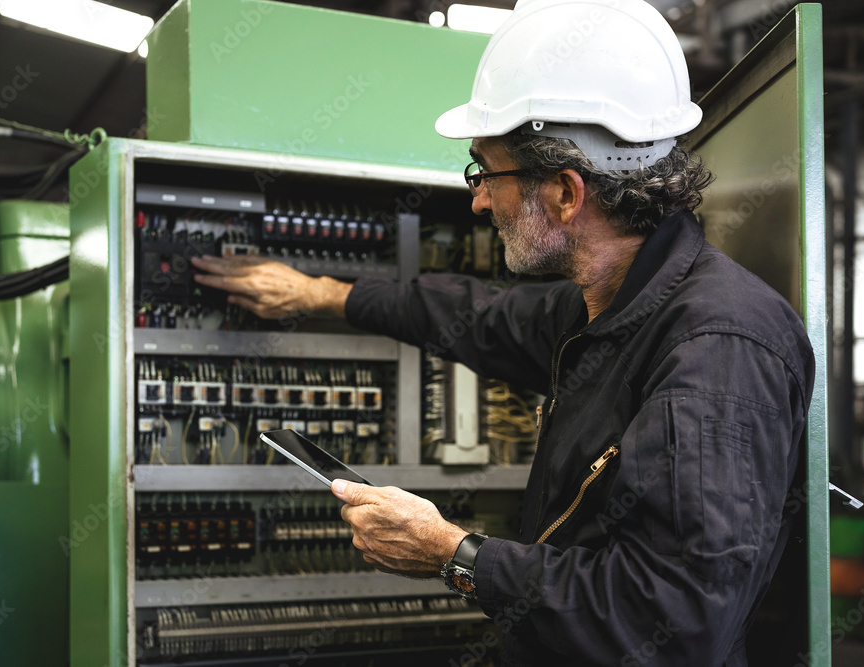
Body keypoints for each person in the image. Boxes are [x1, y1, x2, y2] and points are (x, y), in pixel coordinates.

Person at [191, 0, 815, 664]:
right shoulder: (608, 308)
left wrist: (451, 552)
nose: (478, 199)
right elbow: (477, 317)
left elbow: (671, 620)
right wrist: (317, 293)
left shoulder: (716, 350)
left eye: (486, 170)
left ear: (565, 194)